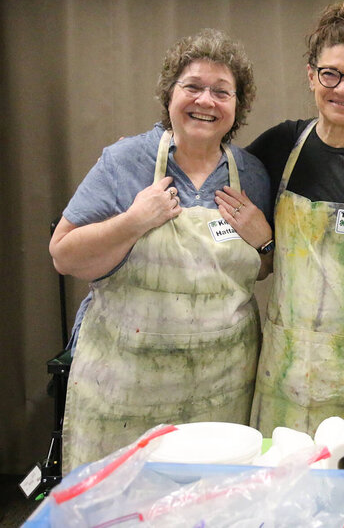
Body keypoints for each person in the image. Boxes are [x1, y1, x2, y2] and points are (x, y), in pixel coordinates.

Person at [49, 29, 273, 472]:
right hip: (124, 387)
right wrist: (134, 220)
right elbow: (64, 255)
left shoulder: (250, 173)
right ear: (169, 94)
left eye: (221, 92)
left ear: (237, 106)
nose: (205, 101)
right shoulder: (124, 161)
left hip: (220, 386)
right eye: (192, 87)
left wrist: (264, 239)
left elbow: (257, 270)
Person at [221, 0, 344, 437]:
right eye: (331, 74)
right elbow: (221, 196)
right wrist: (262, 243)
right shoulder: (281, 146)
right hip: (286, 363)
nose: (343, 89)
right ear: (312, 75)